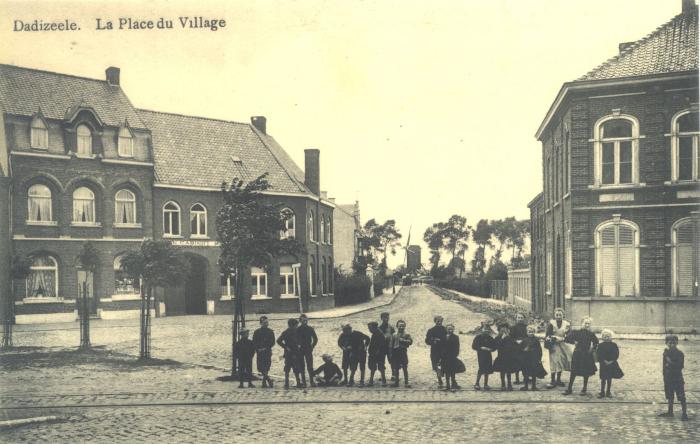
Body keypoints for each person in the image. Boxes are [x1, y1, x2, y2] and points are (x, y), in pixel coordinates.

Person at [563, 317, 598, 396]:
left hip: (586, 355)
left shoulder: (591, 334)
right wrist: (574, 341)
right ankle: (569, 388)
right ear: (581, 323)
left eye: (588, 323)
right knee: (573, 371)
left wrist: (592, 349)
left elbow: (596, 342)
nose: (587, 325)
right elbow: (566, 339)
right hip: (577, 354)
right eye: (585, 323)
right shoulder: (576, 332)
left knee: (586, 372)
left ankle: (584, 388)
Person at [659, 335, 688, 420]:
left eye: (674, 343)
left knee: (681, 396)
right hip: (668, 378)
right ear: (666, 343)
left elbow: (680, 366)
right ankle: (670, 412)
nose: (672, 344)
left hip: (677, 378)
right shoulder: (666, 353)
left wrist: (669, 361)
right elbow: (664, 367)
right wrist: (664, 376)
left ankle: (684, 414)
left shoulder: (680, 353)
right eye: (670, 343)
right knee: (670, 395)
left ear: (677, 343)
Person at [545, 308, 573, 389]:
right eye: (557, 315)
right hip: (553, 345)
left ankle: (558, 379)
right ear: (554, 315)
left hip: (562, 344)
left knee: (561, 361)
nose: (558, 316)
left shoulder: (566, 324)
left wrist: (566, 336)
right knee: (554, 362)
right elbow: (548, 335)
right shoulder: (551, 324)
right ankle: (552, 380)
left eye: (560, 315)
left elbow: (569, 335)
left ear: (563, 315)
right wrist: (550, 344)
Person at [596, 329, 623, 399]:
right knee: (603, 379)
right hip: (603, 364)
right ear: (602, 337)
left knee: (609, 378)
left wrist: (611, 361)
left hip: (611, 364)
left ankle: (608, 391)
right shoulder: (601, 345)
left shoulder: (614, 345)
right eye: (604, 336)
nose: (606, 337)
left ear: (611, 337)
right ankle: (602, 392)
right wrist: (604, 361)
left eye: (608, 336)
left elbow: (616, 354)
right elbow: (599, 354)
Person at [277, 318, 303, 389]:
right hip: (292, 352)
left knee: (289, 368)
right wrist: (286, 347)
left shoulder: (287, 332)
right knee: (293, 368)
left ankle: (288, 383)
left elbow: (279, 341)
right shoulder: (293, 332)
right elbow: (278, 341)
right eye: (296, 325)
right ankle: (294, 383)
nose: (296, 326)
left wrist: (285, 347)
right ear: (293, 325)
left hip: (290, 352)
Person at [493, 323, 518, 391]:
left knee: (509, 371)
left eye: (505, 328)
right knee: (502, 371)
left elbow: (513, 346)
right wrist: (502, 338)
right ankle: (503, 384)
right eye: (502, 329)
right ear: (499, 330)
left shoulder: (509, 337)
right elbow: (496, 346)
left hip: (509, 357)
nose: (504, 330)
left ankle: (509, 384)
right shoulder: (497, 338)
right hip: (501, 357)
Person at [520, 325, 547, 391]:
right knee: (525, 373)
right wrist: (524, 350)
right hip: (526, 359)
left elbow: (539, 350)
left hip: (534, 358)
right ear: (527, 332)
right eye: (529, 332)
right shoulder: (524, 340)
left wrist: (539, 359)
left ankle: (534, 386)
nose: (530, 333)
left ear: (534, 332)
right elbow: (520, 349)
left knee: (534, 373)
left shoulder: (536, 340)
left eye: (532, 332)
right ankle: (525, 386)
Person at [252, 315, 276, 388]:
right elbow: (254, 342)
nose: (266, 324)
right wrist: (258, 349)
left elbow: (273, 342)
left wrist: (266, 348)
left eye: (267, 322)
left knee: (267, 366)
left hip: (267, 351)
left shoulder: (270, 332)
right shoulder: (257, 332)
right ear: (261, 323)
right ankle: (268, 380)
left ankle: (264, 382)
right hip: (259, 352)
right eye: (264, 322)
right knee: (261, 367)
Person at [472, 322, 496, 390]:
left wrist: (490, 349)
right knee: (481, 368)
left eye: (487, 329)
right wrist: (481, 348)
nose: (486, 331)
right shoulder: (478, 337)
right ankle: (477, 383)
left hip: (488, 355)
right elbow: (474, 346)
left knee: (487, 369)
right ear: (482, 329)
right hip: (481, 355)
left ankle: (485, 384)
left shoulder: (490, 338)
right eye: (484, 329)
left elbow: (494, 347)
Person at [297, 313, 319, 387]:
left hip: (308, 349)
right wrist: (298, 345)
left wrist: (312, 346)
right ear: (300, 321)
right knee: (301, 366)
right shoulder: (298, 329)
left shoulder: (310, 329)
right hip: (300, 349)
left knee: (310, 365)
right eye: (303, 320)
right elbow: (295, 339)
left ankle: (311, 381)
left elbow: (315, 339)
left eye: (306, 320)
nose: (304, 322)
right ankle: (304, 382)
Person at [425, 315, 447, 388]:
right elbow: (427, 341)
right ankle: (440, 380)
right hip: (435, 351)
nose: (439, 322)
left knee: (445, 365)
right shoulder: (431, 330)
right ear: (435, 321)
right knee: (436, 366)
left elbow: (448, 339)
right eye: (438, 321)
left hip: (444, 350)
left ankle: (447, 381)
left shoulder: (445, 329)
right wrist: (433, 340)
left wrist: (442, 341)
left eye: (441, 321)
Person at [390, 320, 413, 387]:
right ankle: (396, 382)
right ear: (397, 326)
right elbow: (391, 345)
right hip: (395, 353)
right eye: (400, 326)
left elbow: (410, 341)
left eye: (403, 326)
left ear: (405, 326)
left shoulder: (406, 334)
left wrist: (403, 340)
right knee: (396, 368)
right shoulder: (394, 335)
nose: (401, 327)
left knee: (405, 368)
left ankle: (406, 382)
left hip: (403, 352)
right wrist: (390, 353)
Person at [440, 324, 461, 390]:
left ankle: (453, 385)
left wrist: (455, 355)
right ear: (446, 329)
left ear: (453, 330)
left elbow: (457, 348)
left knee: (452, 372)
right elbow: (441, 347)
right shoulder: (443, 337)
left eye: (451, 329)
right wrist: (441, 355)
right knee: (446, 372)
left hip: (452, 357)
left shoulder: (456, 337)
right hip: (444, 357)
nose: (450, 330)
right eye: (448, 329)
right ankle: (447, 385)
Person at [367, 321, 388, 387]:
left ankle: (383, 381)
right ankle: (371, 381)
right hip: (374, 354)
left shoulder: (379, 334)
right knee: (373, 367)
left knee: (381, 367)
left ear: (374, 327)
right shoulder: (375, 333)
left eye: (370, 328)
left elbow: (382, 345)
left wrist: (377, 352)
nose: (369, 330)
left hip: (379, 354)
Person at [510, 313, 528, 385]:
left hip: (524, 346)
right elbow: (511, 337)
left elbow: (528, 336)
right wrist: (516, 341)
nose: (520, 319)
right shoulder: (513, 327)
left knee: (525, 362)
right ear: (516, 318)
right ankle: (517, 378)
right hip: (516, 347)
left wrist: (524, 341)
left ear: (524, 319)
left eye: (521, 318)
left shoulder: (526, 327)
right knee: (517, 362)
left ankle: (525, 377)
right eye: (518, 318)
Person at [378, 312, 396, 378]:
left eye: (387, 317)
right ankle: (382, 375)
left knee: (392, 360)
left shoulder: (391, 328)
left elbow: (394, 336)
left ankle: (393, 374)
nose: (386, 319)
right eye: (384, 318)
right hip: (382, 347)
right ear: (381, 318)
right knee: (381, 361)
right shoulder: (379, 328)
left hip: (389, 346)